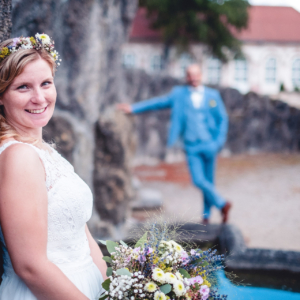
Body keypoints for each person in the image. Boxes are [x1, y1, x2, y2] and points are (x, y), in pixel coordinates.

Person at [0, 34, 106, 299]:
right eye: (23, 87)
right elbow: (30, 267)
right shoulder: (19, 157)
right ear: (1, 97)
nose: (39, 97)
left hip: (86, 285)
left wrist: (112, 288)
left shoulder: (43, 149)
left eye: (46, 83)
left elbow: (82, 233)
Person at [118, 64, 231, 224]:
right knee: (198, 180)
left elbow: (222, 119)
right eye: (190, 75)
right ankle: (222, 204)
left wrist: (218, 142)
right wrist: (133, 108)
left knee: (209, 182)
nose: (193, 78)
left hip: (210, 144)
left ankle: (206, 216)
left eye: (196, 74)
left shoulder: (213, 96)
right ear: (186, 77)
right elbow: (157, 103)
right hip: (191, 145)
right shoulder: (179, 94)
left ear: (201, 75)